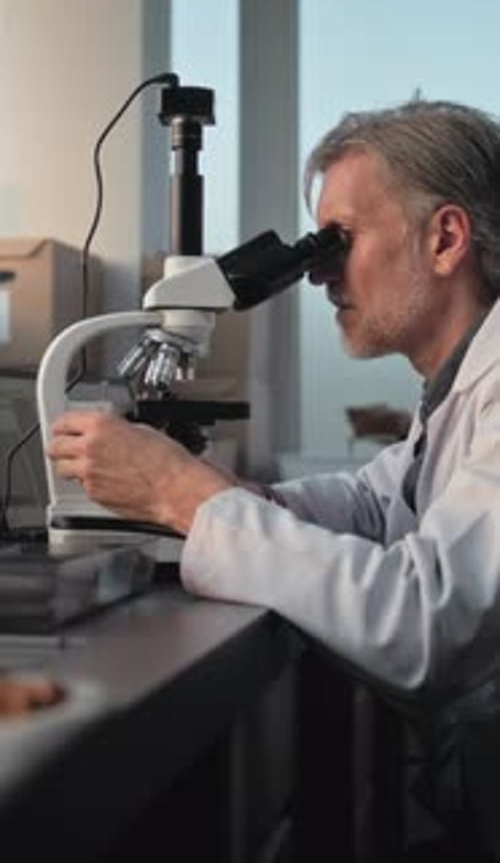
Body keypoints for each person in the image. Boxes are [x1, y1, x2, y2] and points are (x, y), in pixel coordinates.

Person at [47, 100, 500, 859]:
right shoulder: (456, 389)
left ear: (445, 238)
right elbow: (374, 503)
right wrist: (222, 498)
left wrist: (182, 495)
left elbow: (422, 627)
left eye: (339, 240)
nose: (319, 271)